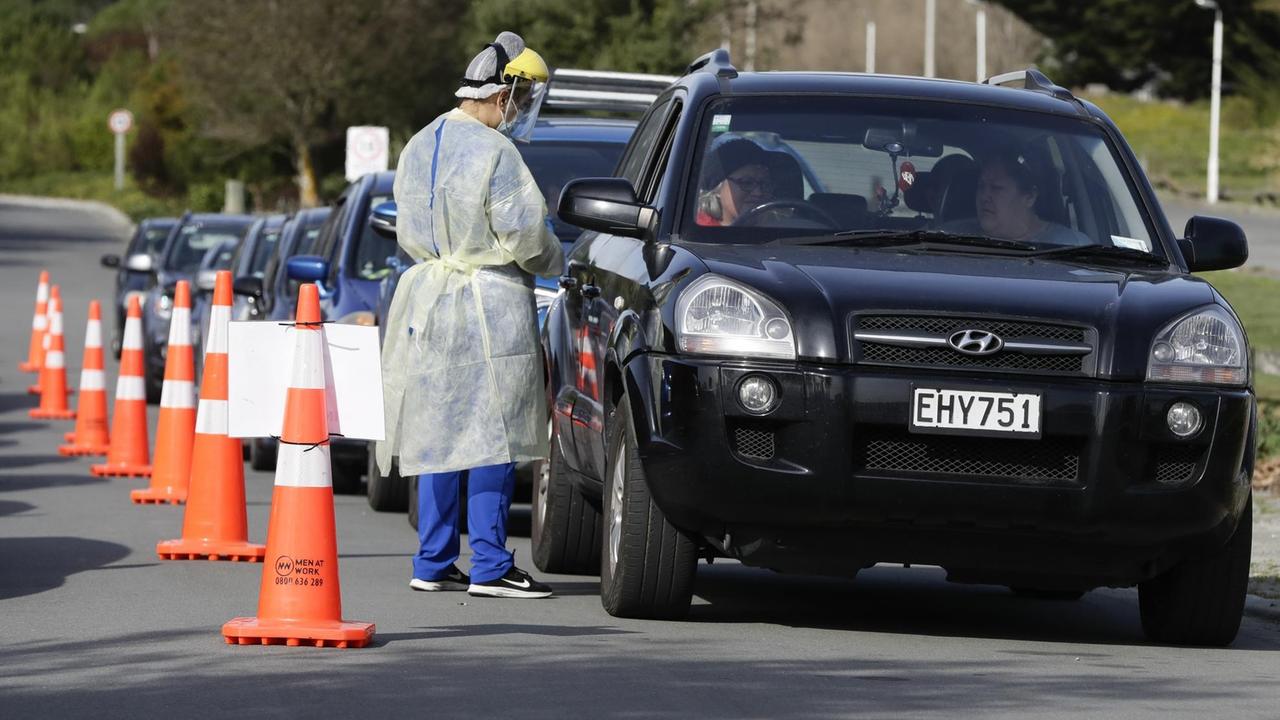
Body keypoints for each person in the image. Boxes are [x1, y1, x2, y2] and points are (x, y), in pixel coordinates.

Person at [378, 32, 561, 600]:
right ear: (502, 92)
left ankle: (432, 560)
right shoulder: (495, 151)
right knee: (493, 436)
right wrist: (560, 260)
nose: (521, 109)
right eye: (521, 95)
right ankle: (490, 563)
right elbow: (527, 235)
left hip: (428, 300)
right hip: (489, 303)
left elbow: (408, 224)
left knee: (438, 431)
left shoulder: (419, 142)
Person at [943, 148, 1089, 246]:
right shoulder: (947, 239)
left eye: (996, 188)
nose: (984, 196)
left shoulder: (1071, 247)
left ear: (1029, 197)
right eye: (981, 186)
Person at [695, 138, 778, 226]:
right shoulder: (699, 232)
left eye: (765, 184)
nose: (759, 193)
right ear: (717, 187)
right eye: (746, 183)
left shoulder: (781, 229)